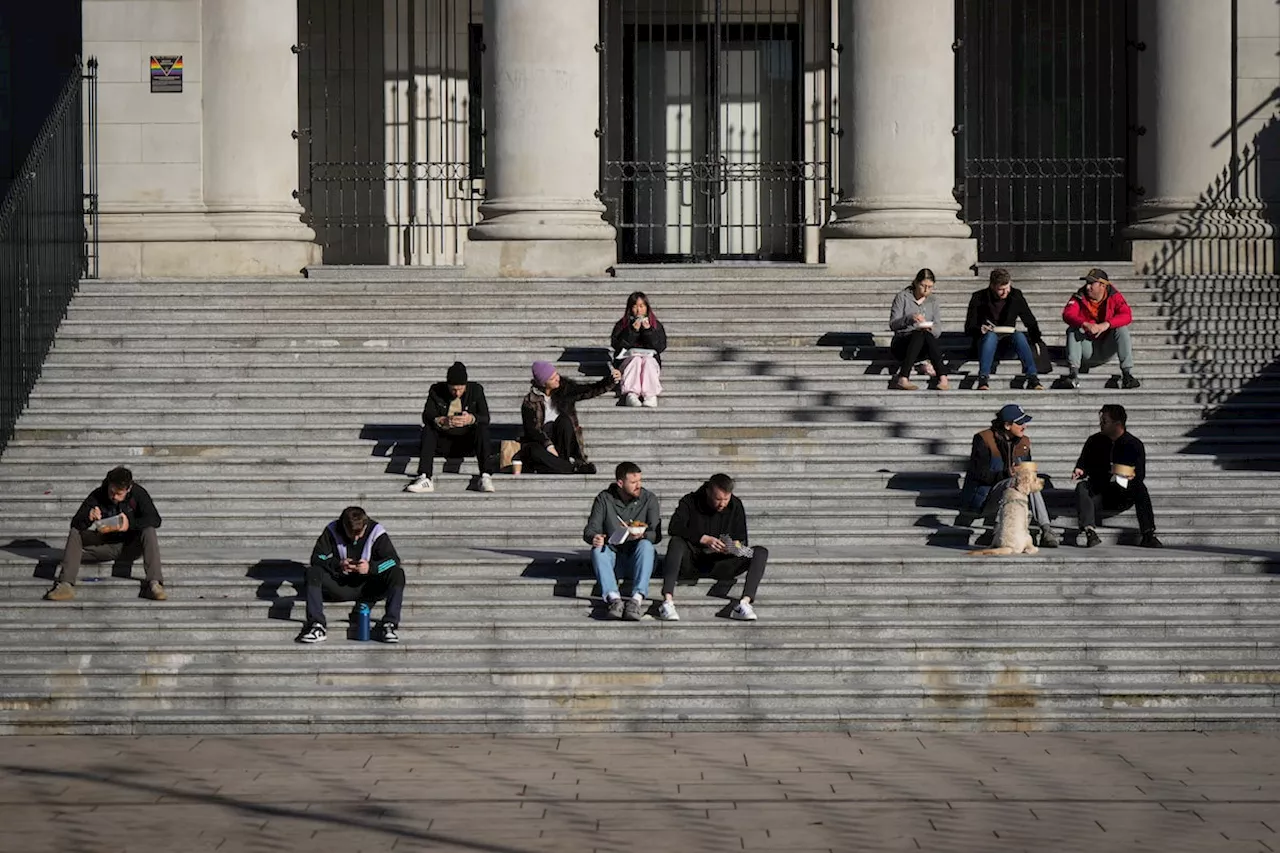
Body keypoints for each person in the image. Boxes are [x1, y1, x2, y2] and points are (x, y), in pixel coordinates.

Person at [43, 466, 166, 601]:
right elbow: (75, 523)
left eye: (119, 494)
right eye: (112, 492)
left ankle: (154, 584)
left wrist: (129, 525)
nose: (114, 497)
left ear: (129, 489)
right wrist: (88, 517)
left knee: (149, 530)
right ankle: (65, 584)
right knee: (75, 532)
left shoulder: (139, 494)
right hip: (105, 545)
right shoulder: (98, 495)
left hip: (130, 547)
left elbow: (155, 519)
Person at [657, 473, 769, 622]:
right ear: (709, 491)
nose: (722, 504)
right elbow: (674, 528)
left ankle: (744, 603)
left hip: (723, 562)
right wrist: (703, 539)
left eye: (725, 499)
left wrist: (732, 546)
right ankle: (668, 600)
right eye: (717, 499)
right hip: (693, 560)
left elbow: (742, 541)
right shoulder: (690, 501)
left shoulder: (735, 505)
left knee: (759, 552)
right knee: (676, 542)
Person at [298, 505, 406, 643]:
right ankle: (317, 625)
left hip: (370, 587)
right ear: (343, 526)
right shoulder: (332, 529)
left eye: (359, 534)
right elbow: (317, 558)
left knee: (397, 573)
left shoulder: (376, 531)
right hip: (342, 585)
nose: (355, 538)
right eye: (351, 534)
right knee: (312, 572)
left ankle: (389, 624)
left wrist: (371, 568)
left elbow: (393, 560)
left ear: (365, 526)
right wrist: (338, 564)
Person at [958, 404, 1059, 547]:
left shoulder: (1023, 441)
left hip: (1012, 495)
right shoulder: (983, 439)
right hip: (985, 497)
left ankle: (1046, 529)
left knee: (1028, 481)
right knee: (1012, 481)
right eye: (1020, 423)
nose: (1024, 426)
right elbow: (979, 474)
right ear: (1007, 425)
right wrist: (1006, 473)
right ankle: (999, 530)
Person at [1071, 404, 1161, 548]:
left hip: (1122, 492)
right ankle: (1089, 531)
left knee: (1140, 488)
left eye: (1104, 421)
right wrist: (1080, 470)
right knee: (1082, 487)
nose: (1101, 424)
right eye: (1101, 420)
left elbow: (1140, 474)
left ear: (1117, 424)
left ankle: (1148, 533)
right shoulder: (1094, 441)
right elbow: (1083, 464)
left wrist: (1128, 476)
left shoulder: (1133, 444)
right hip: (1100, 490)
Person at [582, 461, 662, 620]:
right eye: (633, 482)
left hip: (638, 558)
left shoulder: (649, 499)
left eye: (639, 481)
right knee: (598, 549)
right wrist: (595, 538)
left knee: (646, 546)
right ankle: (614, 599)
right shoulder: (604, 498)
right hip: (614, 557)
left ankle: (636, 600)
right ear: (620, 483)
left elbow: (656, 535)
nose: (638, 485)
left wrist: (643, 535)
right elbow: (590, 530)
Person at [406, 361, 496, 494]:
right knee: (428, 429)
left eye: (460, 389)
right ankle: (424, 476)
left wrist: (471, 419)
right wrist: (441, 420)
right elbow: (427, 416)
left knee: (482, 429)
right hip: (444, 441)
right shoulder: (436, 390)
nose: (457, 393)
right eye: (453, 389)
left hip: (467, 442)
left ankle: (485, 475)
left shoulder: (476, 390)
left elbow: (485, 418)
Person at [520, 360, 619, 475]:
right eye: (552, 378)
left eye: (556, 374)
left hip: (563, 443)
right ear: (543, 384)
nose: (557, 378)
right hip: (543, 444)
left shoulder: (565, 389)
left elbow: (588, 390)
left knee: (564, 420)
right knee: (532, 450)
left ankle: (560, 465)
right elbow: (532, 430)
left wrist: (610, 381)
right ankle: (571, 468)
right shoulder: (530, 402)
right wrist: (548, 446)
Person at [963, 268, 1045, 392]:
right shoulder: (979, 297)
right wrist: (980, 329)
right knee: (990, 337)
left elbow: (1029, 319)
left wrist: (1036, 339)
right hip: (986, 343)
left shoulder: (1015, 295)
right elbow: (969, 326)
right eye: (1001, 289)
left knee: (1019, 336)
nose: (1005, 292)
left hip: (1008, 342)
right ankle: (983, 378)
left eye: (1007, 287)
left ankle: (1033, 377)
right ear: (992, 286)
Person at [1060, 268, 1140, 389]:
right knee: (1073, 329)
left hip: (1106, 348)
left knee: (1121, 328)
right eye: (1087, 283)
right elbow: (1067, 314)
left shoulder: (1114, 296)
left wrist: (1106, 325)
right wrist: (1085, 324)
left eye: (1091, 283)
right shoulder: (1079, 296)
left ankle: (1127, 375)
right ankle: (1073, 374)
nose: (1087, 287)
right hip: (1086, 349)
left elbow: (1127, 315)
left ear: (1102, 285)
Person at [887, 268, 949, 391]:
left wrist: (931, 328)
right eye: (923, 285)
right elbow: (893, 324)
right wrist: (909, 318)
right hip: (903, 342)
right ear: (916, 283)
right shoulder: (902, 297)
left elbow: (938, 330)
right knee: (918, 334)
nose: (926, 290)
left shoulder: (933, 300)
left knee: (925, 334)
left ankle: (942, 377)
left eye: (930, 287)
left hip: (925, 343)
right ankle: (904, 377)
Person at [611, 291, 667, 408]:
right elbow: (617, 345)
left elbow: (660, 346)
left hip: (650, 360)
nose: (638, 310)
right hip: (628, 361)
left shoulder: (655, 325)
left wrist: (648, 330)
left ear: (647, 307)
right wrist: (633, 331)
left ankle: (650, 395)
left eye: (641, 306)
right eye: (635, 306)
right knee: (635, 360)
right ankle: (631, 394)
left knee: (648, 361)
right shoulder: (622, 325)